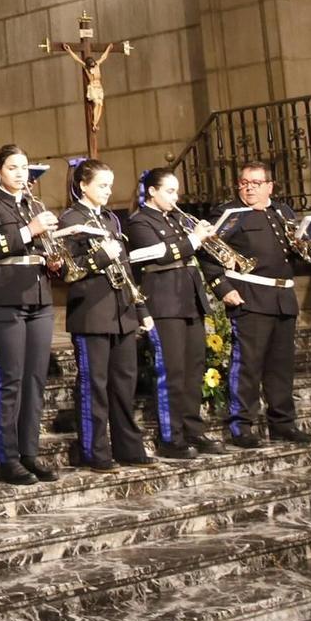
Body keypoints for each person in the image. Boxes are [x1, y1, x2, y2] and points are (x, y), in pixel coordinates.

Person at [0, 145, 61, 485]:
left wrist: (53, 257)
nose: (21, 174)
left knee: (35, 380)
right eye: (13, 168)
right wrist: (28, 231)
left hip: (38, 296)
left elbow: (42, 247)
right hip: (2, 297)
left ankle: (29, 453)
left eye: (25, 168)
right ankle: (7, 458)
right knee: (9, 379)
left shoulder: (34, 204)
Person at [60, 159, 154, 471]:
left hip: (121, 311)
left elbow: (125, 267)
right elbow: (69, 271)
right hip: (92, 312)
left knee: (124, 383)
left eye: (110, 185)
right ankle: (95, 450)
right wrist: (102, 255)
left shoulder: (111, 218)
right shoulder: (70, 219)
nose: (107, 191)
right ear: (83, 185)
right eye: (101, 185)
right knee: (94, 384)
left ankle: (128, 446)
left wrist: (140, 309)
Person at [124, 167, 223, 458]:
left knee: (194, 369)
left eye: (176, 191)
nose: (175, 197)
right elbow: (161, 253)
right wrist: (194, 240)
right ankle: (171, 437)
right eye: (169, 191)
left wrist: (208, 238)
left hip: (189, 299)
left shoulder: (179, 219)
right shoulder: (139, 221)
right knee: (172, 371)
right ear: (152, 191)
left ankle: (193, 428)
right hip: (165, 303)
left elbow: (194, 253)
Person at [218, 161, 311, 448]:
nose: (248, 187)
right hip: (250, 296)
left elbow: (290, 255)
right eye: (244, 182)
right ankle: (241, 426)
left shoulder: (282, 212)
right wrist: (223, 288)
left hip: (283, 298)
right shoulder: (231, 214)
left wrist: (305, 246)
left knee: (280, 367)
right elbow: (211, 255)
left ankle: (283, 423)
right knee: (247, 365)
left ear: (269, 186)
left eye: (255, 183)